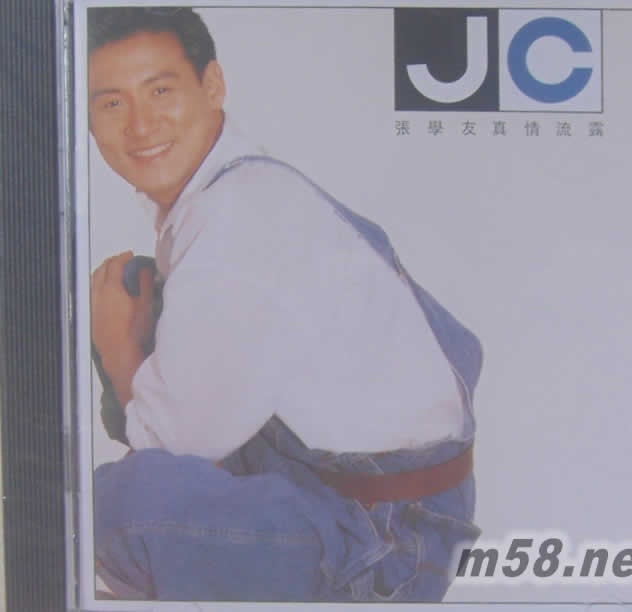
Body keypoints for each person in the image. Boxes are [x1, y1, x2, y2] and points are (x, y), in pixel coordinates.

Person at [88, 6, 483, 602]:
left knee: (111, 509)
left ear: (213, 86)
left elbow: (174, 449)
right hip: (336, 486)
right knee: (138, 291)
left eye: (160, 90)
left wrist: (119, 353)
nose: (141, 125)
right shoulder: (231, 191)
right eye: (112, 103)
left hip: (386, 543)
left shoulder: (240, 215)